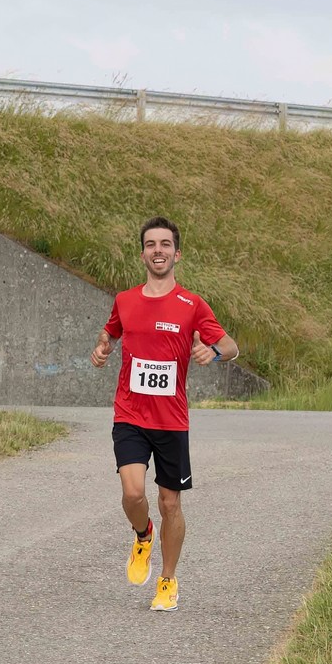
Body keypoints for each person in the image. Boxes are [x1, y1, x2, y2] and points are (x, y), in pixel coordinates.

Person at [89, 217, 237, 612]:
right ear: (142, 254)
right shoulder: (125, 300)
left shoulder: (192, 305)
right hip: (130, 414)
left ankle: (168, 579)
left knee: (171, 503)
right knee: (133, 493)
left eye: (165, 244)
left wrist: (214, 352)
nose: (158, 250)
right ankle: (143, 535)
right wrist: (102, 346)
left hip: (171, 420)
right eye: (151, 244)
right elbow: (110, 331)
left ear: (177, 254)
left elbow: (231, 346)